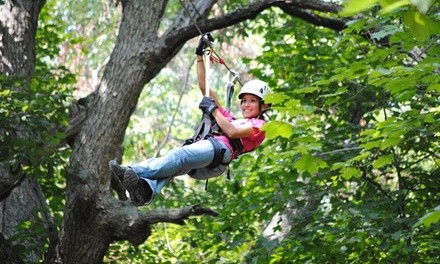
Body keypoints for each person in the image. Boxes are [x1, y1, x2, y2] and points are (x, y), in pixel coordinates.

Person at [109, 33, 271, 206]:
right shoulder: (231, 118)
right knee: (173, 166)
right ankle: (145, 191)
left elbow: (231, 131)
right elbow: (204, 86)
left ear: (264, 106)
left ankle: (133, 170)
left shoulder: (261, 125)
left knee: (180, 155)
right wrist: (200, 55)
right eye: (244, 100)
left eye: (252, 101)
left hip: (218, 151)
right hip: (209, 156)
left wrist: (213, 110)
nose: (246, 105)